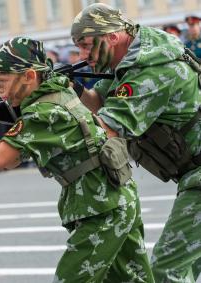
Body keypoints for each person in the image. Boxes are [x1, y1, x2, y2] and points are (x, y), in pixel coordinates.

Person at [0, 37, 154, 282]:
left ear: (29, 76)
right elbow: (10, 159)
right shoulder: (57, 91)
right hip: (116, 199)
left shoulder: (42, 113)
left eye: (3, 81)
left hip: (102, 208)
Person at [71, 3, 201, 282]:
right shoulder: (132, 58)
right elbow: (98, 103)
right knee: (185, 268)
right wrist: (72, 88)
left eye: (85, 45)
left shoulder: (152, 69)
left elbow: (106, 129)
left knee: (168, 271)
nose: (81, 56)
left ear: (112, 37)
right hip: (192, 176)